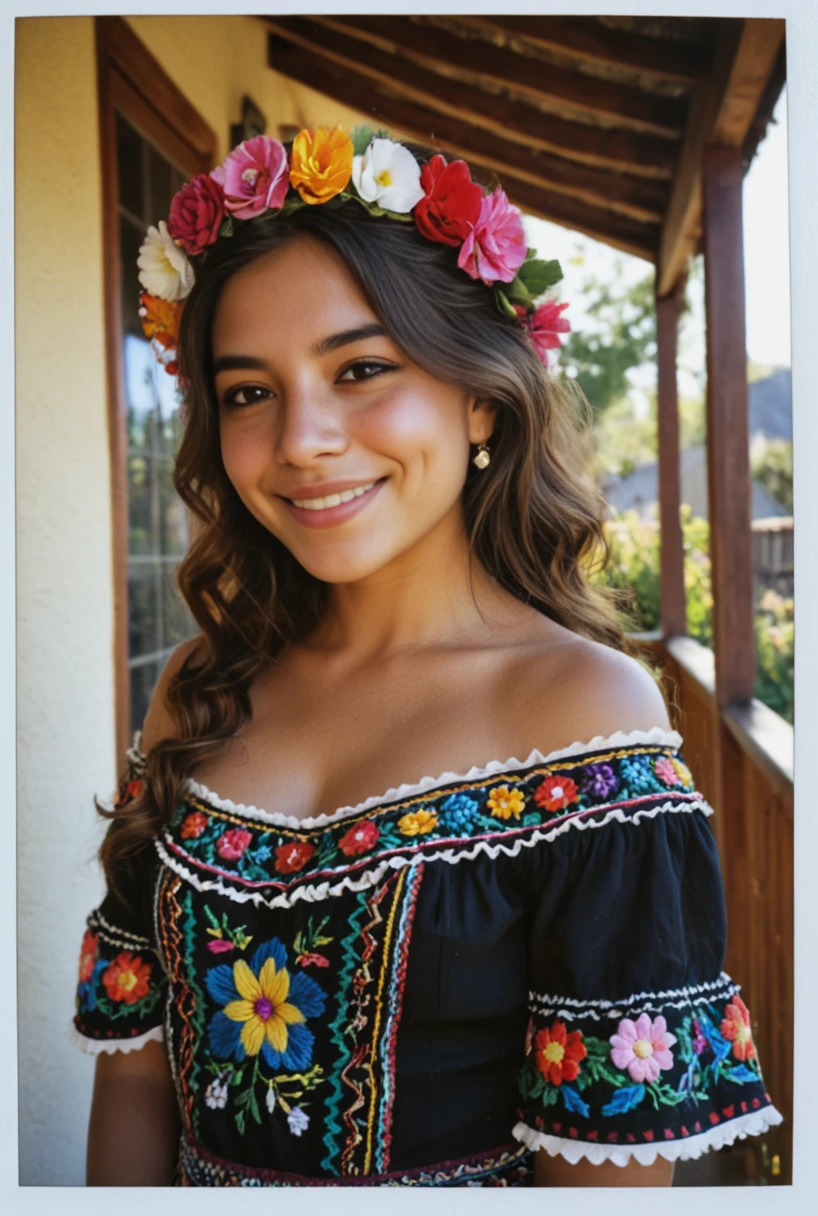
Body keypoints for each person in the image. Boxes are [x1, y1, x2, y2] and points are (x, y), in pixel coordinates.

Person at [71, 124, 781, 1187]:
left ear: (482, 396)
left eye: (360, 367)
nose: (302, 438)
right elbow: (134, 1075)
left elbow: (605, 1172)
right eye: (247, 391)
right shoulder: (197, 690)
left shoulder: (581, 712)